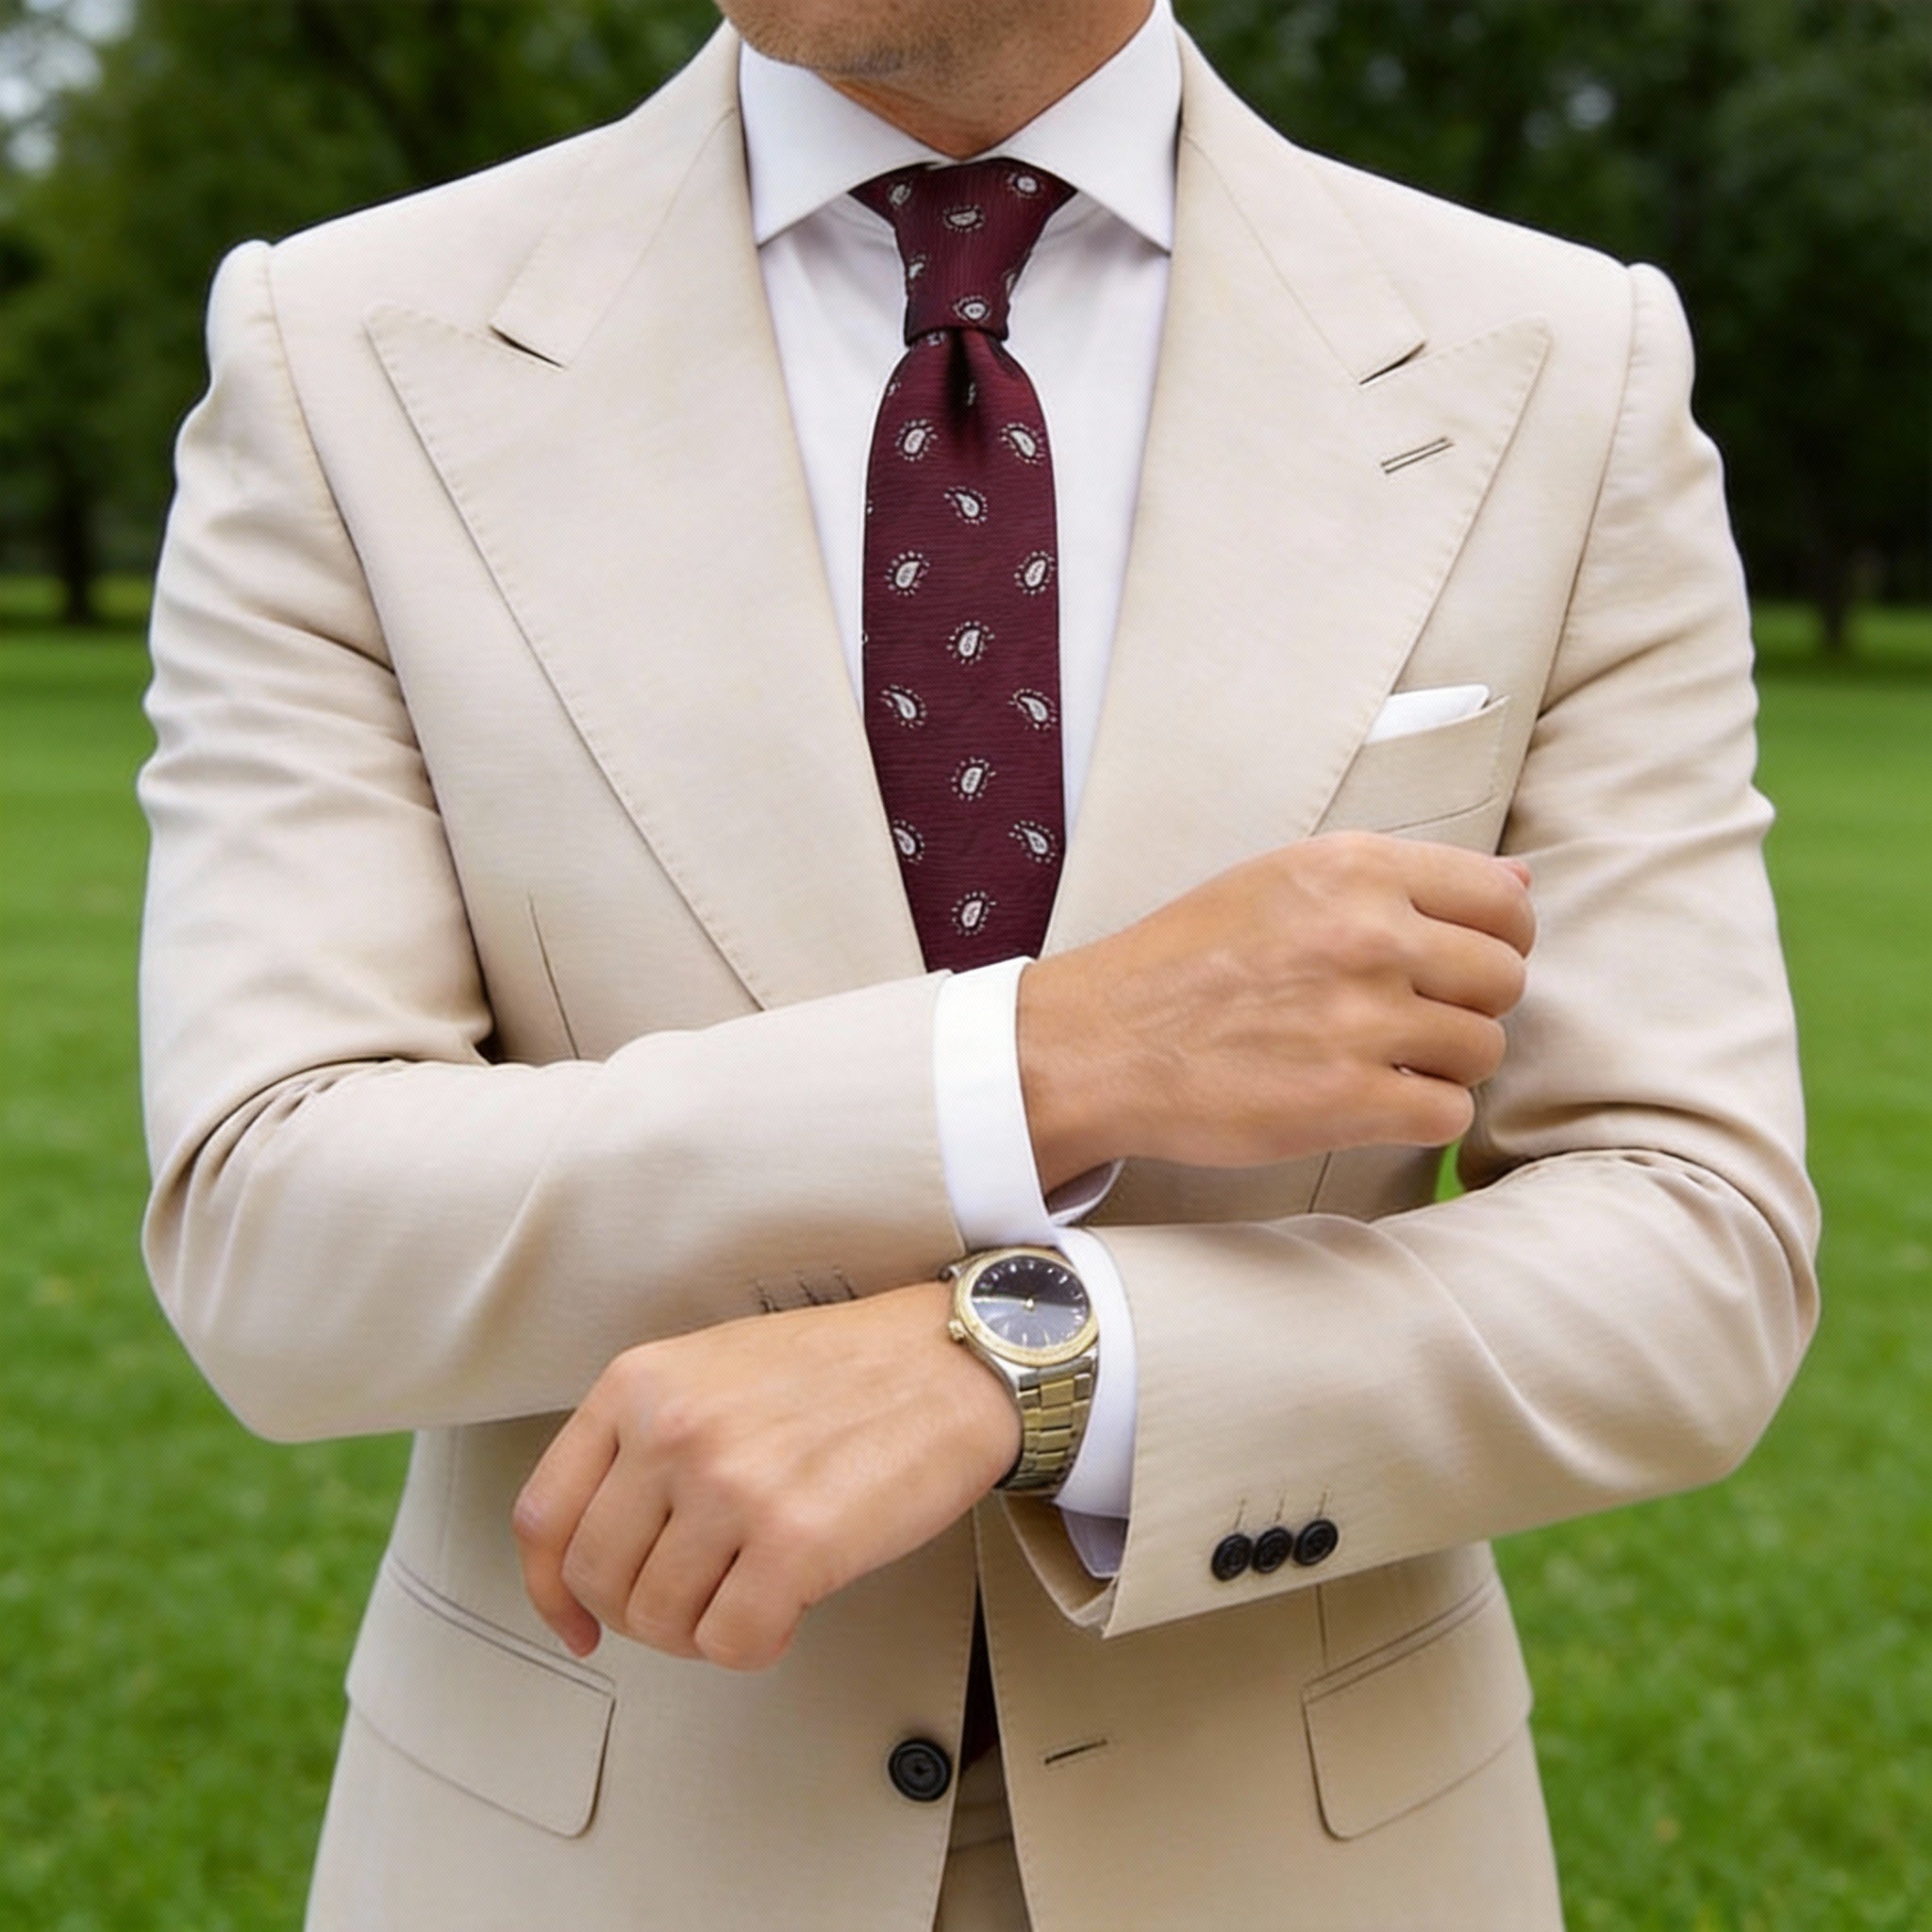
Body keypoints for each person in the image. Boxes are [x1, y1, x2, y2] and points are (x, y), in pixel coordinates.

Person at [136, 1, 1819, 1926]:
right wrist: (1041, 1059)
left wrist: (1024, 1368)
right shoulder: (340, 354)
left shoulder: (1561, 365)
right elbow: (273, 1230)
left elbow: (1692, 1249)